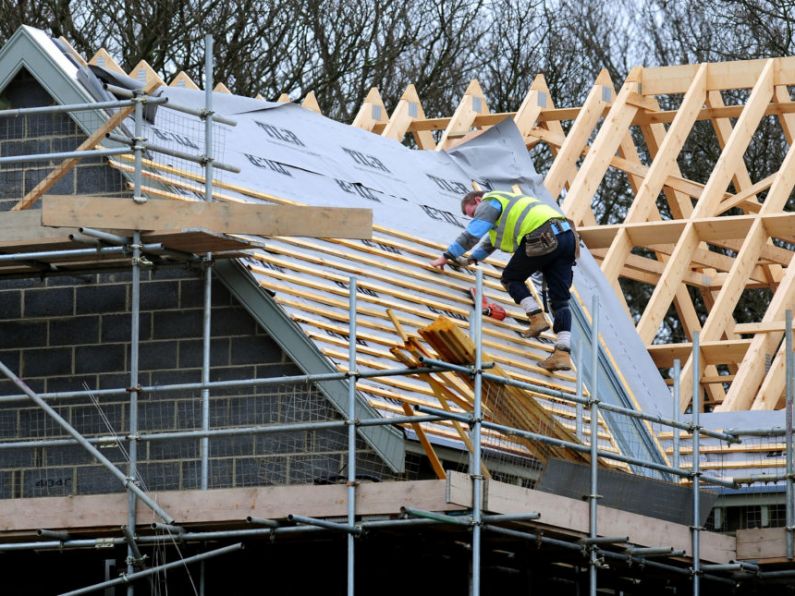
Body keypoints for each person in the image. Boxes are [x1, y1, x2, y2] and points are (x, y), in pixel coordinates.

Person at [429, 189, 577, 372]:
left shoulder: (490, 201)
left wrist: (446, 256)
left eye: (474, 213)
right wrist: (470, 259)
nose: (475, 217)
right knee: (560, 301)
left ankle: (536, 318)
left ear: (478, 200)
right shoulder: (508, 207)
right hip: (568, 236)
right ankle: (562, 353)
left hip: (543, 234)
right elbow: (490, 242)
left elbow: (472, 235)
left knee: (511, 278)